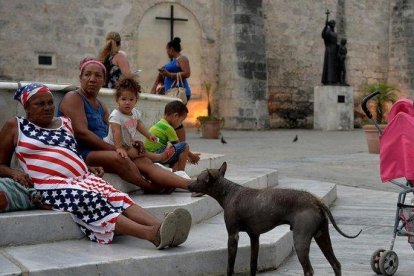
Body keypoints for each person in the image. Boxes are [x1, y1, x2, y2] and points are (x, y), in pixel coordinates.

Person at [0, 83, 191, 248]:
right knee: (91, 199)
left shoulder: (64, 123)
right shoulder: (15, 126)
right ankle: (152, 234)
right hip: (49, 184)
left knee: (118, 196)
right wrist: (12, 172)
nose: (48, 107)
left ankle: (166, 226)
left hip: (82, 177)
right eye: (40, 104)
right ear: (27, 107)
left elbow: (69, 153)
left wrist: (85, 166)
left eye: (50, 103)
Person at [58, 57, 192, 194]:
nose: (92, 79)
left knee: (143, 159)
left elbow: (112, 132)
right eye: (87, 74)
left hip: (104, 148)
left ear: (104, 80)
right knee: (121, 157)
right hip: (84, 153)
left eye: (97, 75)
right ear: (80, 77)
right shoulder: (73, 98)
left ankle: (192, 185)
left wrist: (130, 143)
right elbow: (82, 133)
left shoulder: (101, 105)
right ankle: (149, 187)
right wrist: (118, 149)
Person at [104, 76, 174, 162]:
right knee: (139, 152)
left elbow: (139, 125)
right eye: (123, 99)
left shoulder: (134, 113)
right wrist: (119, 148)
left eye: (131, 99)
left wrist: (149, 135)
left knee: (140, 149)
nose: (127, 102)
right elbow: (116, 132)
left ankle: (155, 158)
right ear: (117, 100)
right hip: (113, 145)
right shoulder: (116, 116)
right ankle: (159, 157)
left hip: (126, 143)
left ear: (136, 100)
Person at [151, 37, 191, 142]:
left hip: (180, 93)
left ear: (171, 49)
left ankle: (181, 145)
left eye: (167, 50)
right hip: (171, 94)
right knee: (173, 120)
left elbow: (187, 73)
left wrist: (169, 74)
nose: (167, 52)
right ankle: (177, 144)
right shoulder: (173, 61)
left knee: (176, 120)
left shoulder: (182, 59)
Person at [144, 101, 200, 172]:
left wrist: (186, 156)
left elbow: (176, 149)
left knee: (177, 156)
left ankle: (175, 174)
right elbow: (180, 146)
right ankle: (181, 173)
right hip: (156, 155)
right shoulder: (168, 128)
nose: (180, 124)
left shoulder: (160, 123)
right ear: (176, 116)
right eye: (181, 120)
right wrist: (192, 156)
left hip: (150, 155)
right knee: (185, 145)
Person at [321, 19, 339, 85]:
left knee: (334, 66)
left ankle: (334, 80)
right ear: (330, 24)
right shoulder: (328, 32)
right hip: (329, 50)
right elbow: (323, 35)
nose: (334, 25)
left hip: (334, 51)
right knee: (329, 65)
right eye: (332, 23)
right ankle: (328, 80)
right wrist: (325, 26)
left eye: (334, 24)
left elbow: (335, 42)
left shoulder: (335, 33)